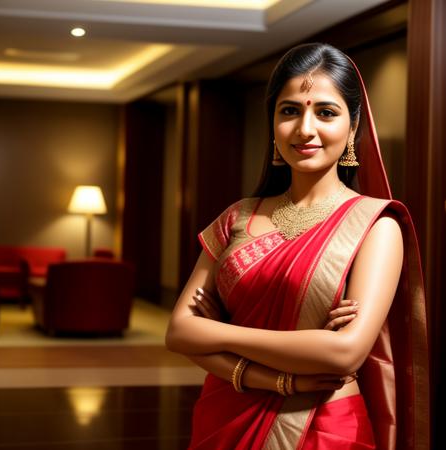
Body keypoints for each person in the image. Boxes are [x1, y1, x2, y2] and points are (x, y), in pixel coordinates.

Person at [166, 43, 429, 449]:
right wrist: (279, 379)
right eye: (289, 110)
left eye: (325, 112)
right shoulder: (238, 217)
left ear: (354, 125)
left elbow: (343, 354)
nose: (305, 128)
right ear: (273, 122)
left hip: (324, 425)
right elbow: (180, 332)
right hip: (225, 415)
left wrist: (219, 332)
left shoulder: (376, 225)